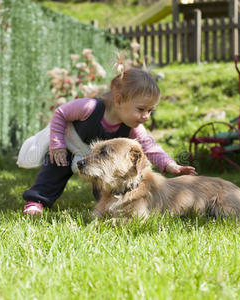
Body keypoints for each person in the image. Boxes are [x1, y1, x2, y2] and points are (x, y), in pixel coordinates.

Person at [22, 68, 197, 215]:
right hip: (69, 146)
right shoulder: (89, 107)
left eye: (150, 111)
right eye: (141, 109)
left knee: (109, 178)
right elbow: (60, 113)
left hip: (98, 161)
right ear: (119, 100)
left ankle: (107, 208)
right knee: (54, 170)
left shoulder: (133, 126)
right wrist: (57, 145)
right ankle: (37, 201)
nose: (146, 116)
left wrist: (172, 166)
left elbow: (150, 147)